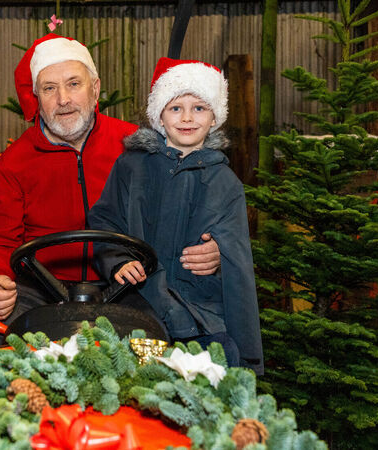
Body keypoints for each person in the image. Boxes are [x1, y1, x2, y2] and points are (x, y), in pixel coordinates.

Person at [0, 35, 221, 359]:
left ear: (95, 88)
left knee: (172, 328)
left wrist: (211, 249)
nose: (63, 99)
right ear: (37, 97)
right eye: (49, 88)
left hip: (128, 281)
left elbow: (182, 211)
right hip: (42, 288)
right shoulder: (14, 163)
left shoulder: (135, 145)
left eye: (73, 84)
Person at [87, 58, 263, 373]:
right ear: (159, 116)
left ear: (214, 119)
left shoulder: (226, 184)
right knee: (128, 362)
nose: (187, 118)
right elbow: (105, 222)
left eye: (199, 108)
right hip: (138, 297)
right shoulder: (132, 167)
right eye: (175, 108)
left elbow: (238, 262)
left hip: (199, 308)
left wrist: (220, 255)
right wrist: (118, 260)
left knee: (223, 356)